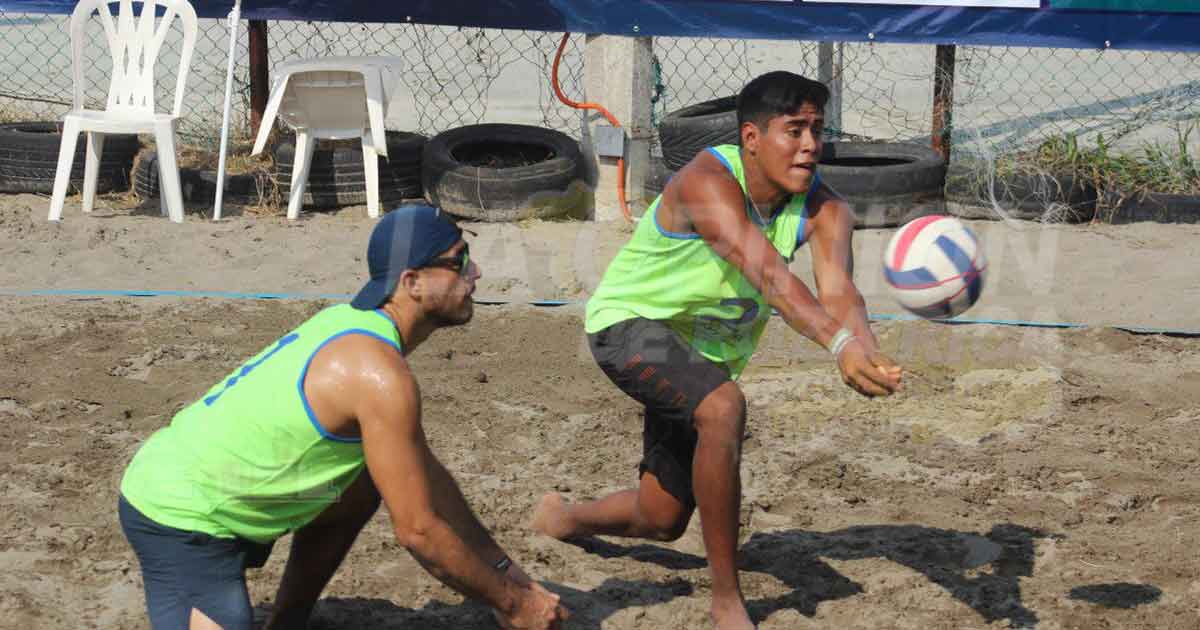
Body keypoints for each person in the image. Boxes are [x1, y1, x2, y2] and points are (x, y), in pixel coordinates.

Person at [532, 71, 902, 630]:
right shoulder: (705, 180)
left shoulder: (828, 209)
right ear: (751, 138)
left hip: (699, 358)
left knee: (661, 518)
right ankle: (727, 601)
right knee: (723, 406)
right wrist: (839, 344)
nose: (809, 145)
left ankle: (565, 518)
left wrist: (866, 350)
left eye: (818, 130)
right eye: (794, 130)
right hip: (631, 325)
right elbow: (770, 276)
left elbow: (840, 292)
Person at [118, 205, 569, 630]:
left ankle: (289, 622)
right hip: (178, 518)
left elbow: (426, 477)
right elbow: (419, 532)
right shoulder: (379, 374)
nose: (476, 272)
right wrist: (516, 606)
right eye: (459, 260)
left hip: (225, 498)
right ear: (412, 281)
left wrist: (509, 574)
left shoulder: (351, 324)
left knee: (372, 476)